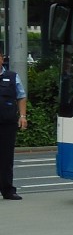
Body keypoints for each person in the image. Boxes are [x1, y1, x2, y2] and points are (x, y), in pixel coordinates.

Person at [0, 50, 29, 201]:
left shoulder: (11, 76)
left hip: (7, 123)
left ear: (1, 59)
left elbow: (21, 96)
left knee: (6, 158)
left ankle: (8, 190)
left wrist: (22, 116)